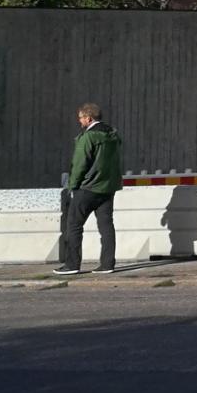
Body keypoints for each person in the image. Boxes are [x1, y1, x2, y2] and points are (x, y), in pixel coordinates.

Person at [57, 103, 123, 277]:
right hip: (107, 188)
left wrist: (72, 185)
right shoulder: (112, 135)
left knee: (74, 225)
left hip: (87, 188)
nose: (79, 121)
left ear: (89, 118)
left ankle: (72, 265)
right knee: (106, 225)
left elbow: (80, 164)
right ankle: (108, 264)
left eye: (81, 118)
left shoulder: (88, 137)